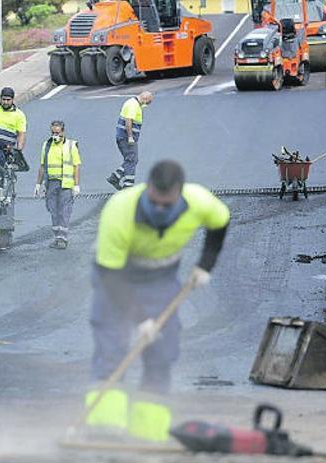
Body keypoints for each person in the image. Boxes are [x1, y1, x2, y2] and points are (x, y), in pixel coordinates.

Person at [86, 160, 230, 442]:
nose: (160, 209)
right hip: (116, 279)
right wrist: (141, 319)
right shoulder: (120, 209)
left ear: (179, 193)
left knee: (162, 352)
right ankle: (103, 428)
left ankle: (147, 431)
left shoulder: (199, 201)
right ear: (148, 188)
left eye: (167, 204)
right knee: (112, 346)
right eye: (155, 202)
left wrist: (205, 265)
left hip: (161, 280)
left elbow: (221, 222)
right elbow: (110, 277)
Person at [34, 120, 81, 249]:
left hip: (66, 184)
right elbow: (42, 166)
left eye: (58, 133)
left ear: (63, 132)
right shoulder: (47, 145)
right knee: (53, 210)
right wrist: (38, 184)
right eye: (53, 133)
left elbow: (76, 166)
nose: (55, 135)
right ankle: (57, 236)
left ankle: (63, 238)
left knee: (64, 211)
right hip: (51, 184)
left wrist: (76, 185)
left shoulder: (71, 145)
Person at [107, 91, 153, 191]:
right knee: (132, 160)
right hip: (126, 138)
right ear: (144, 98)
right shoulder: (133, 105)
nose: (146, 105)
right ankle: (128, 186)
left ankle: (115, 177)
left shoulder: (133, 103)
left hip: (124, 138)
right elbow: (128, 122)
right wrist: (130, 137)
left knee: (131, 159)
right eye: (147, 102)